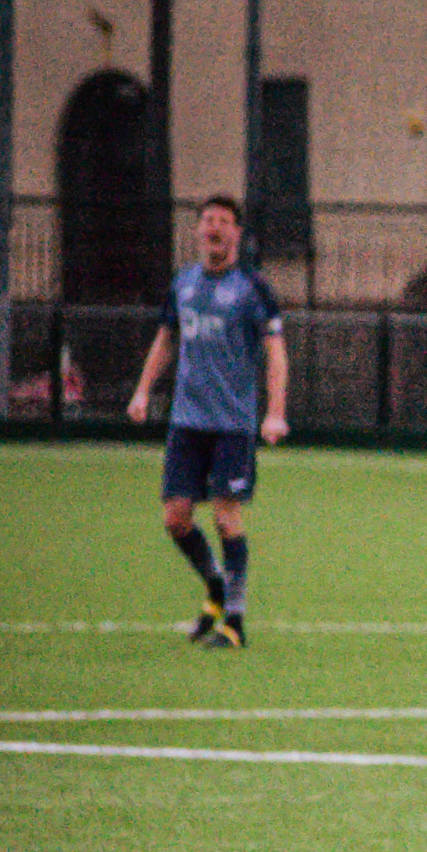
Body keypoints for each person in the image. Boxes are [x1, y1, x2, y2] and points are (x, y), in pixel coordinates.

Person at [128, 196, 289, 649]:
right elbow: (165, 339)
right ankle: (215, 585)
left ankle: (234, 621)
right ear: (198, 230)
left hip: (232, 425)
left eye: (223, 221)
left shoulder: (252, 288)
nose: (213, 228)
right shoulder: (183, 284)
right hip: (187, 421)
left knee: (225, 518)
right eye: (207, 220)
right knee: (176, 518)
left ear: (237, 232)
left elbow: (276, 353)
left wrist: (274, 412)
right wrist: (143, 390)